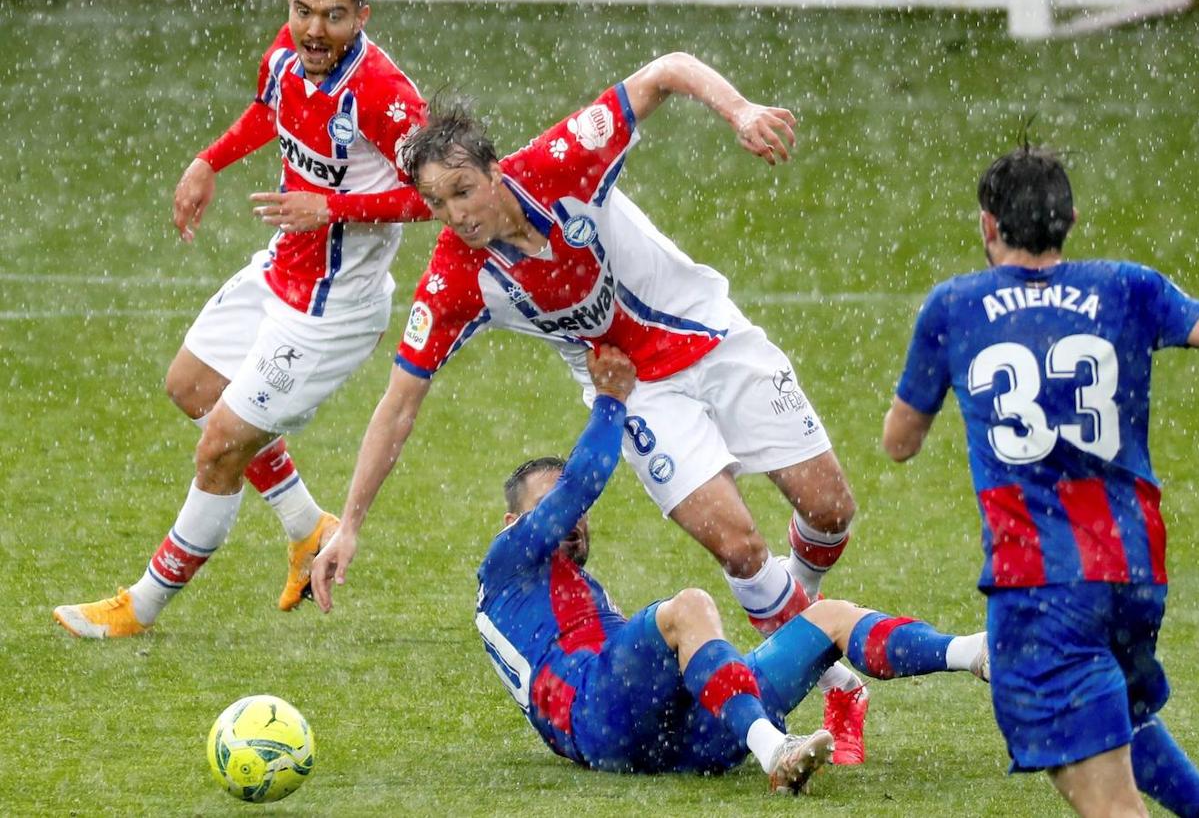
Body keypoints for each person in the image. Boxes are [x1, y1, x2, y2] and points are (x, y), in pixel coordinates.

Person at [308, 52, 875, 758]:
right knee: (738, 545)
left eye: (463, 191)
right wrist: (351, 522)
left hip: (714, 339)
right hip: (634, 388)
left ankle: (805, 615)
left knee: (829, 510)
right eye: (437, 204)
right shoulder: (456, 279)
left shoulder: (563, 160)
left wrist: (740, 111)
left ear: (494, 169)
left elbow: (667, 69)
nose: (457, 215)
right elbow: (399, 402)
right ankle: (840, 682)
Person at [53, 0, 430, 639]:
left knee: (220, 446)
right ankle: (304, 526)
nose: (314, 30)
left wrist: (333, 208)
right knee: (192, 385)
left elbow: (444, 195)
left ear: (363, 16)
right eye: (302, 10)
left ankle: (142, 605)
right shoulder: (288, 54)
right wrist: (208, 161)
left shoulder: (385, 96)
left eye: (334, 16)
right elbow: (270, 111)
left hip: (333, 309)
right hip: (281, 268)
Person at [882, 145, 1199, 818]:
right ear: (1071, 220)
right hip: (1134, 570)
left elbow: (898, 443)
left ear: (988, 226)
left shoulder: (955, 306)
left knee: (1101, 791)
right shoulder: (1130, 287)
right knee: (1114, 715)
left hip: (1041, 581)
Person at [475, 343, 989, 788]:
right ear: (510, 522)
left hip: (677, 740)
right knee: (688, 608)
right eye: (550, 508)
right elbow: (581, 483)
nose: (571, 519)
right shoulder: (504, 563)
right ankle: (774, 749)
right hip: (598, 723)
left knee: (828, 617)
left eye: (577, 514)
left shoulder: (563, 590)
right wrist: (611, 398)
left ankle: (975, 653)